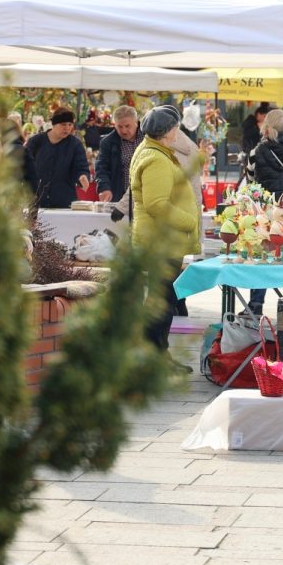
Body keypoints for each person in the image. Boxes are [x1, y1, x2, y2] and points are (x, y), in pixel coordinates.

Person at [128, 105, 200, 371]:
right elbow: (156, 204)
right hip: (161, 242)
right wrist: (189, 221)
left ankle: (158, 354)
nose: (177, 131)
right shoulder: (156, 158)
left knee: (163, 301)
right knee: (162, 302)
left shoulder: (153, 151)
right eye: (175, 127)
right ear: (168, 131)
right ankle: (153, 358)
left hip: (160, 240)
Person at [245, 108, 283, 312]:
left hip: (267, 211)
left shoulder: (256, 152)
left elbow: (251, 182)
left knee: (263, 256)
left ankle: (255, 305)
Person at [23, 108, 91, 209]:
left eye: (70, 124)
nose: (67, 128)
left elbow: (81, 166)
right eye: (63, 124)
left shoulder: (75, 145)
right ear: (54, 124)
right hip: (36, 202)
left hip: (64, 202)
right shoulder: (35, 141)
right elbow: (24, 165)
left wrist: (83, 176)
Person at [95, 105, 143, 205]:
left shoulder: (148, 137)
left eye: (127, 126)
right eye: (120, 127)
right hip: (121, 198)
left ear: (136, 122)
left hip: (147, 195)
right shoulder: (107, 142)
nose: (124, 131)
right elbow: (101, 168)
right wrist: (104, 188)